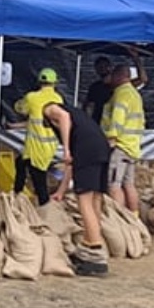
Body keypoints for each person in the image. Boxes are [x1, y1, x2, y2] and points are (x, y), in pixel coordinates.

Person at [45, 102, 112, 276]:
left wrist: (65, 150)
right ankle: (91, 243)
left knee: (84, 199)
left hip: (88, 150)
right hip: (102, 147)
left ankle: (96, 252)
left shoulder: (49, 109)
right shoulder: (81, 122)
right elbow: (72, 164)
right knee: (96, 198)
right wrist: (61, 190)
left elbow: (63, 117)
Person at [14, 68, 64, 205]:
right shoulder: (58, 99)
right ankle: (17, 193)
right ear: (55, 83)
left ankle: (45, 208)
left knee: (39, 180)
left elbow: (20, 109)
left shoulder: (32, 97)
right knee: (20, 163)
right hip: (49, 145)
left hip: (36, 147)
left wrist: (23, 100)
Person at [101, 64, 144, 213]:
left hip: (120, 147)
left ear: (119, 76)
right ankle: (134, 217)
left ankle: (119, 220)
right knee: (129, 184)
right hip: (132, 147)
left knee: (114, 184)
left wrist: (111, 139)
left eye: (113, 75)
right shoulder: (134, 93)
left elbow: (117, 119)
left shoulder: (121, 94)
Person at [83, 51, 148, 124]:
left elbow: (143, 79)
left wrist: (136, 59)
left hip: (119, 122)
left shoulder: (122, 84)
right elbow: (89, 106)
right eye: (100, 67)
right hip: (100, 123)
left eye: (105, 67)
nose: (103, 69)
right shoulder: (95, 87)